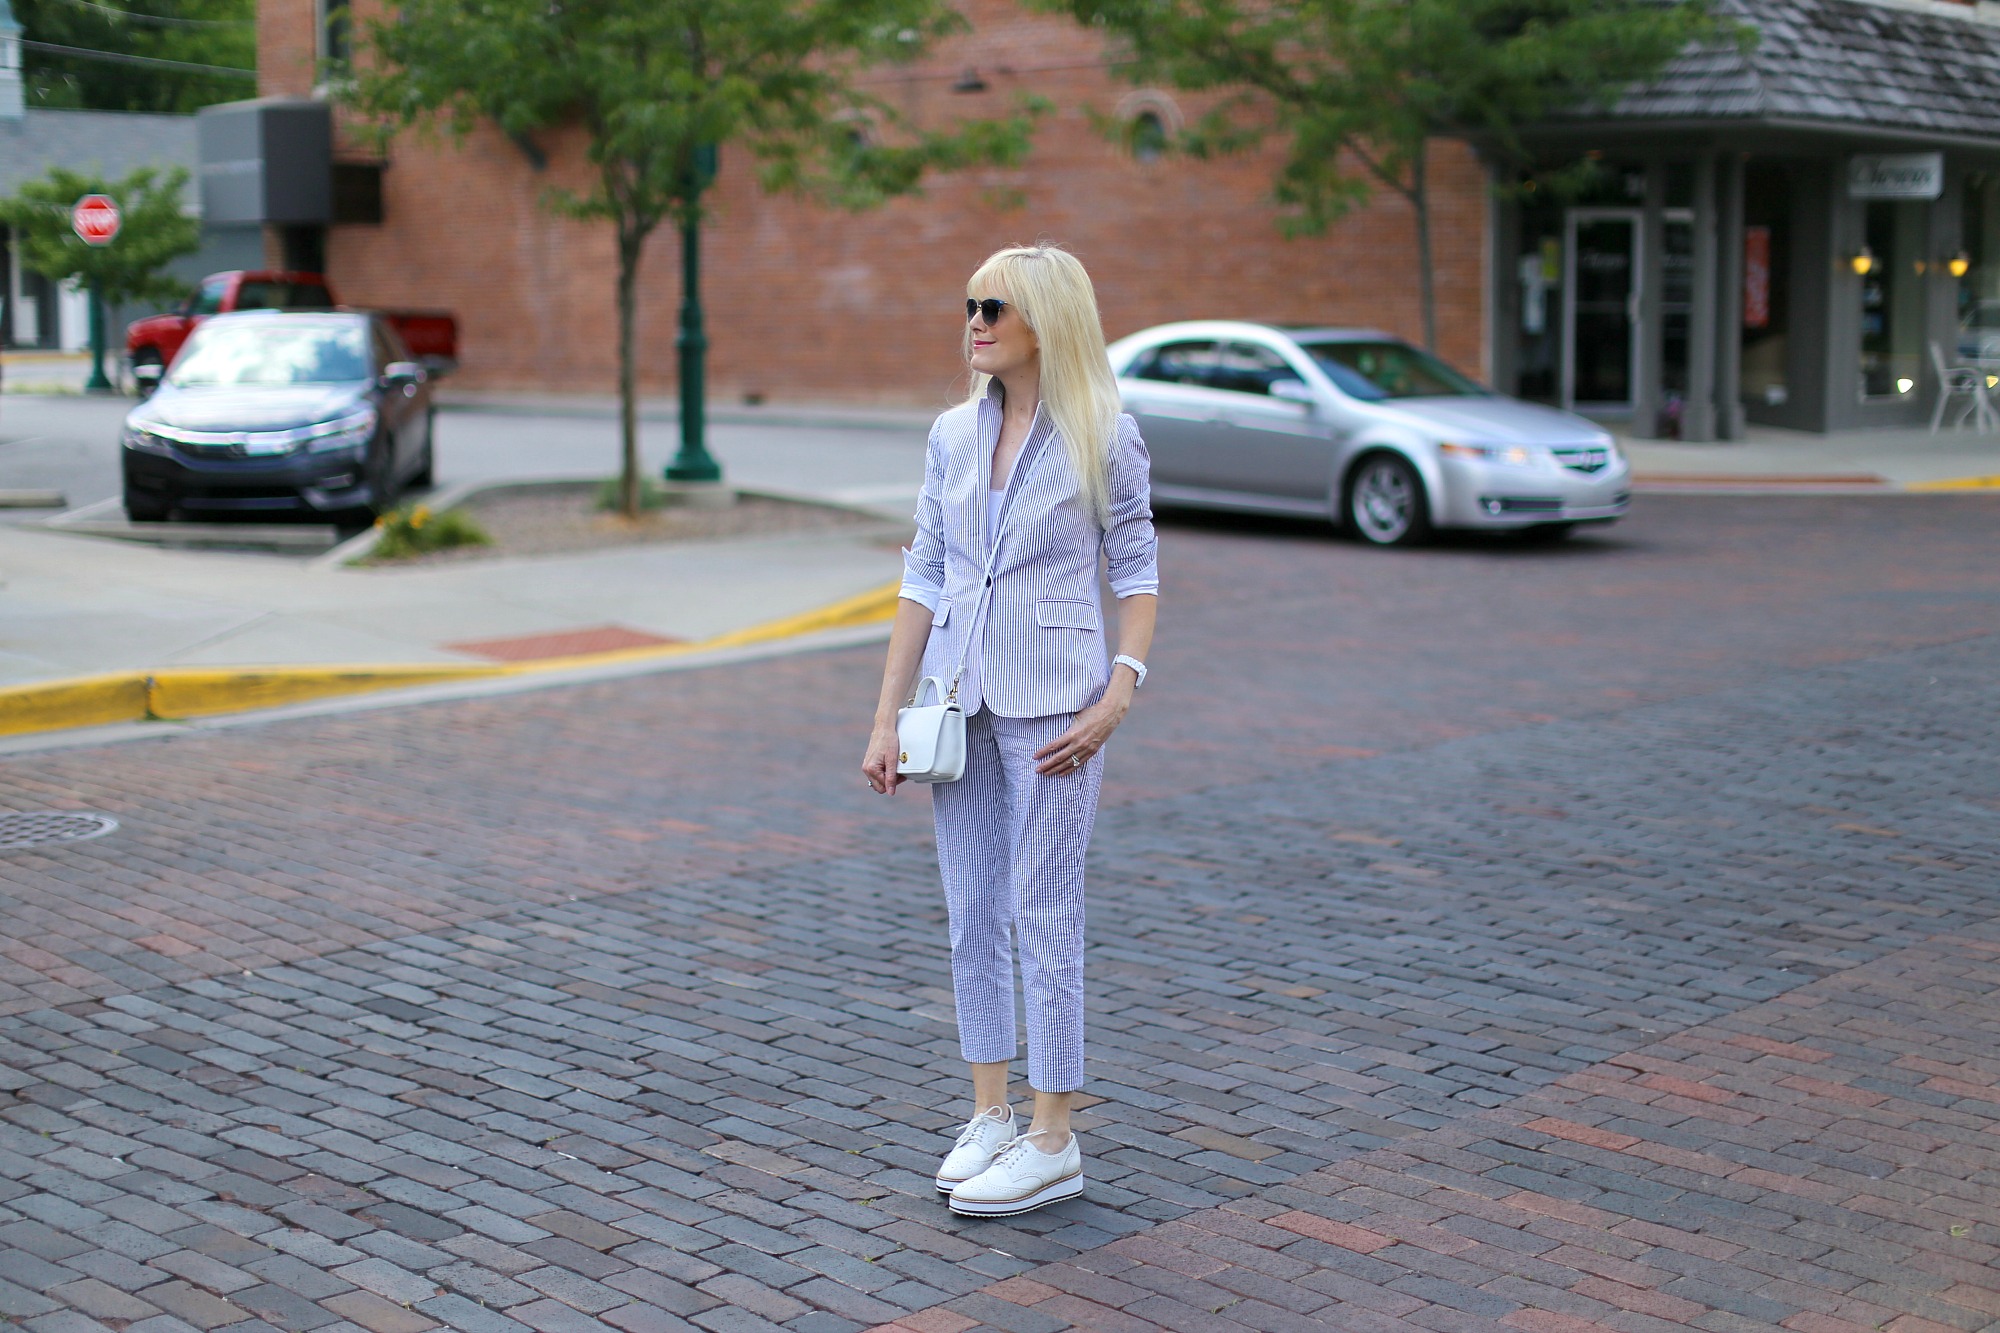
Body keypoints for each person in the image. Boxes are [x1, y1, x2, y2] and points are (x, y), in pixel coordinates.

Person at [862, 245, 1159, 1218]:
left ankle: (1053, 1136)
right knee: (971, 910)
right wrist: (886, 716)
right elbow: (924, 574)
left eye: (995, 306)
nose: (975, 322)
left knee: (1045, 910)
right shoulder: (953, 433)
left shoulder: (1104, 434)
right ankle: (989, 1113)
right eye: (970, 305)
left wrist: (1119, 690)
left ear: (1046, 320)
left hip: (1059, 707)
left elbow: (1136, 570)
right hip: (961, 704)